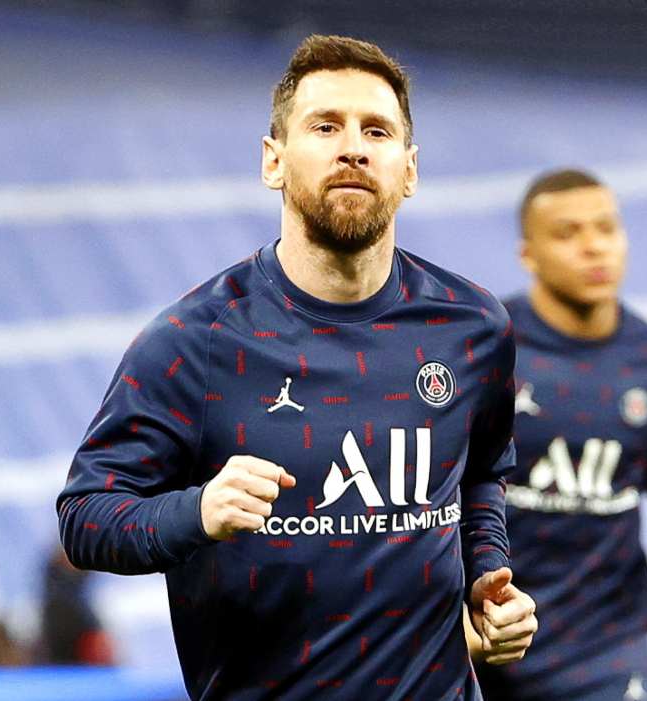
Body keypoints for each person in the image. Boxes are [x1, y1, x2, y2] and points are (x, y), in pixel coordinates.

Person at [57, 34, 537, 700]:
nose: (353, 148)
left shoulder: (473, 327)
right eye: (325, 126)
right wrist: (196, 511)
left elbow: (482, 473)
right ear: (273, 161)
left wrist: (488, 575)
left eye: (376, 130)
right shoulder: (194, 341)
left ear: (409, 170)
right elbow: (86, 517)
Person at [472, 170, 647, 701]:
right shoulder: (481, 350)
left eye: (606, 229)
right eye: (568, 233)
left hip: (603, 653)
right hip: (479, 641)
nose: (594, 247)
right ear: (528, 255)